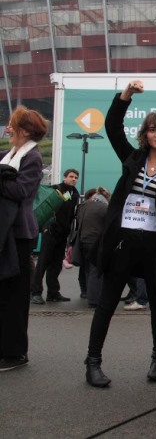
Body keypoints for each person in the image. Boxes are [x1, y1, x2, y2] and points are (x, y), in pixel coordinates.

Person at [84, 79, 156, 388]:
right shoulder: (133, 158)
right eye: (152, 129)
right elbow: (113, 126)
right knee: (107, 302)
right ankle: (93, 362)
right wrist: (125, 95)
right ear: (145, 134)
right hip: (124, 241)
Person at [0, 105, 47, 371]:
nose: (8, 129)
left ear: (26, 130)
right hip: (5, 232)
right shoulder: (10, 154)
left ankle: (16, 353)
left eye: (12, 125)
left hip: (18, 233)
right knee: (3, 294)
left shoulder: (32, 157)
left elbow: (20, 190)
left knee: (15, 296)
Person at [30, 168, 79, 304]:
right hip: (51, 231)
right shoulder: (55, 189)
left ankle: (53, 292)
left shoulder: (74, 193)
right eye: (71, 176)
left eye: (76, 177)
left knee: (56, 265)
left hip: (63, 234)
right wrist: (45, 226)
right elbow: (42, 207)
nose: (74, 179)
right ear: (65, 177)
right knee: (43, 263)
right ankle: (36, 292)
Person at [74, 187, 110, 308]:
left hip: (83, 240)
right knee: (96, 270)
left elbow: (78, 222)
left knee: (87, 270)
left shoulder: (84, 205)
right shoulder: (104, 207)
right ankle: (94, 300)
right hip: (96, 242)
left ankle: (88, 294)